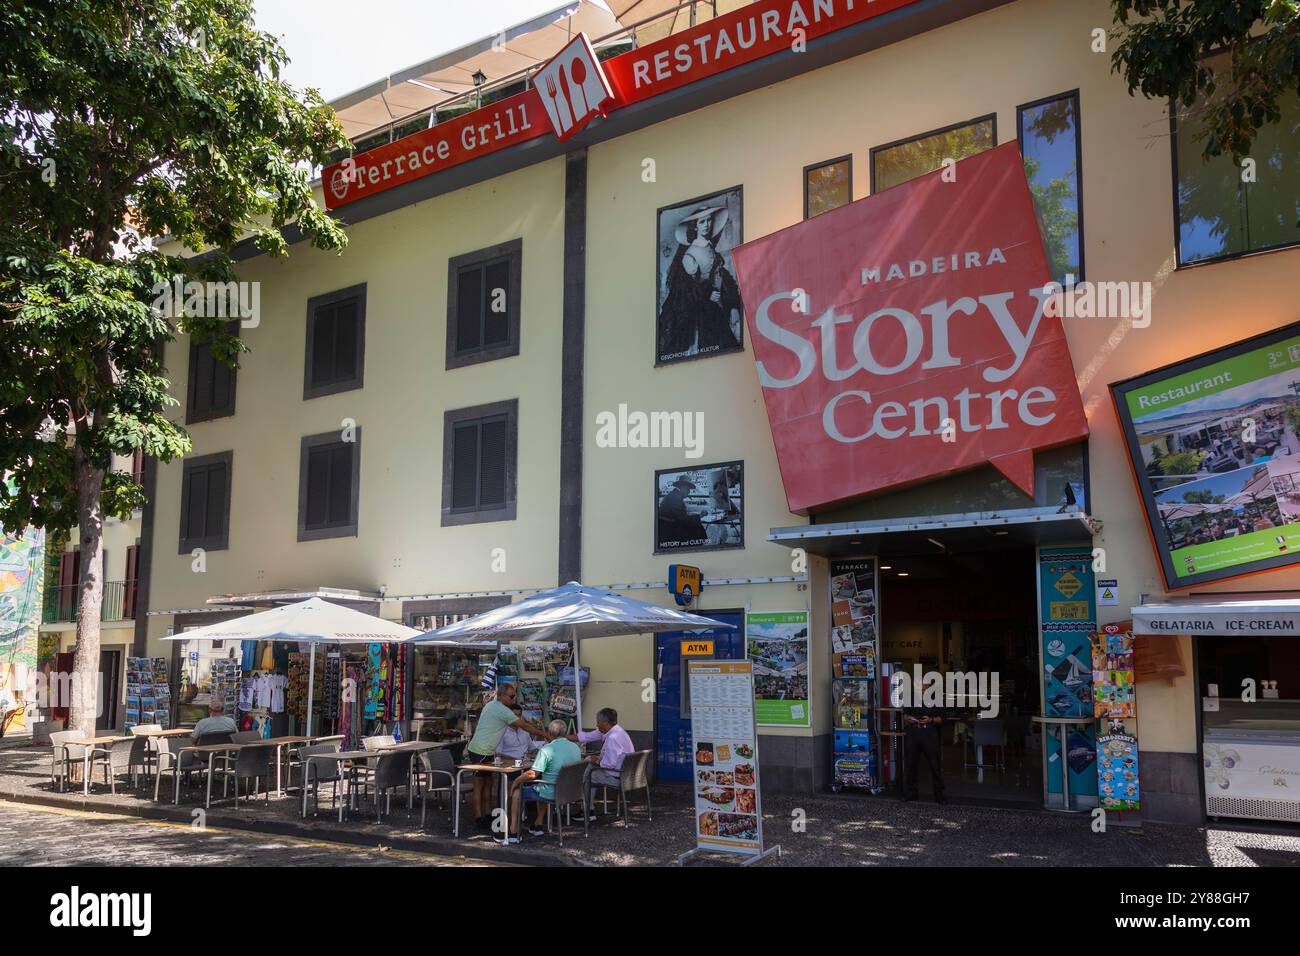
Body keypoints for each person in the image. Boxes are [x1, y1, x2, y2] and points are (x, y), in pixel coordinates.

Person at [464, 683, 546, 831]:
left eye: (515, 696)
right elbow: (524, 726)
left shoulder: (492, 705)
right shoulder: (501, 710)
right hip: (480, 750)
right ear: (501, 696)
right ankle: (478, 816)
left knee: (488, 783)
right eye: (511, 696)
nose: (513, 699)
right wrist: (545, 734)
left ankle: (488, 814)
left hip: (485, 750)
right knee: (480, 784)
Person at [506, 719, 581, 843]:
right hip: (571, 792)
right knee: (543, 783)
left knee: (517, 793)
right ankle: (538, 824)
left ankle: (513, 832)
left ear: (549, 734)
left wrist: (516, 782)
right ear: (564, 733)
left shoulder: (547, 749)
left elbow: (532, 774)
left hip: (551, 791)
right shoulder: (575, 748)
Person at [567, 706, 634, 820]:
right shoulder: (618, 731)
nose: (596, 725)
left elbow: (609, 764)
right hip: (627, 775)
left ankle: (587, 811)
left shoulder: (613, 737)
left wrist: (596, 760)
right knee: (589, 767)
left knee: (587, 774)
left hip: (617, 776)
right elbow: (587, 736)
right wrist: (565, 737)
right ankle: (589, 808)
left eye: (598, 722)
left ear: (605, 723)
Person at [903, 699, 946, 804]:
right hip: (913, 732)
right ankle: (911, 793)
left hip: (929, 732)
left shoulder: (936, 697)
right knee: (911, 764)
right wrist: (909, 718)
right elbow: (905, 716)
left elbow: (942, 719)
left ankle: (939, 795)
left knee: (935, 765)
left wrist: (931, 720)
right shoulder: (911, 697)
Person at [658, 475, 707, 547]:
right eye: (688, 489)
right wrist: (699, 516)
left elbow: (679, 515)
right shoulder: (675, 499)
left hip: (668, 527)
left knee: (697, 527)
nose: (689, 492)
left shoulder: (673, 495)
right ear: (682, 487)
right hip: (670, 532)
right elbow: (682, 520)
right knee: (698, 528)